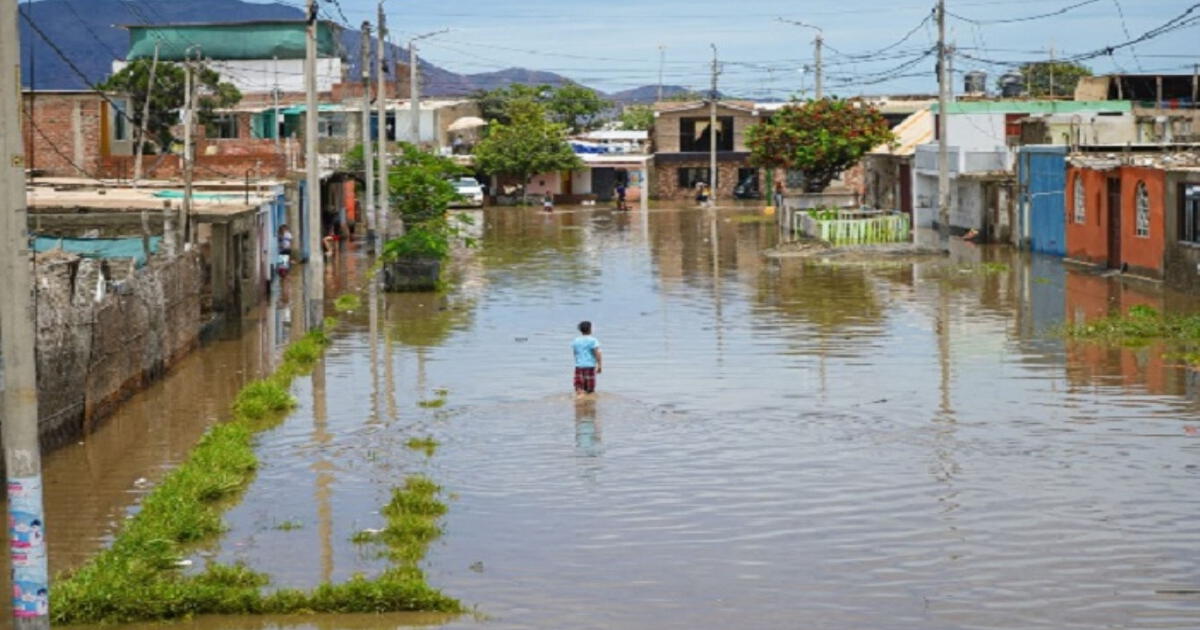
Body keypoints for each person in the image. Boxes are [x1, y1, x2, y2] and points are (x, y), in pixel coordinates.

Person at [571, 320, 602, 397]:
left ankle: (579, 401)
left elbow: (575, 353)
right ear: (590, 329)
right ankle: (588, 404)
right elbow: (597, 353)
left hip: (579, 366)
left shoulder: (576, 340)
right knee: (590, 389)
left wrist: (578, 361)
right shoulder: (593, 340)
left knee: (579, 388)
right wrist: (600, 365)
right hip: (590, 366)